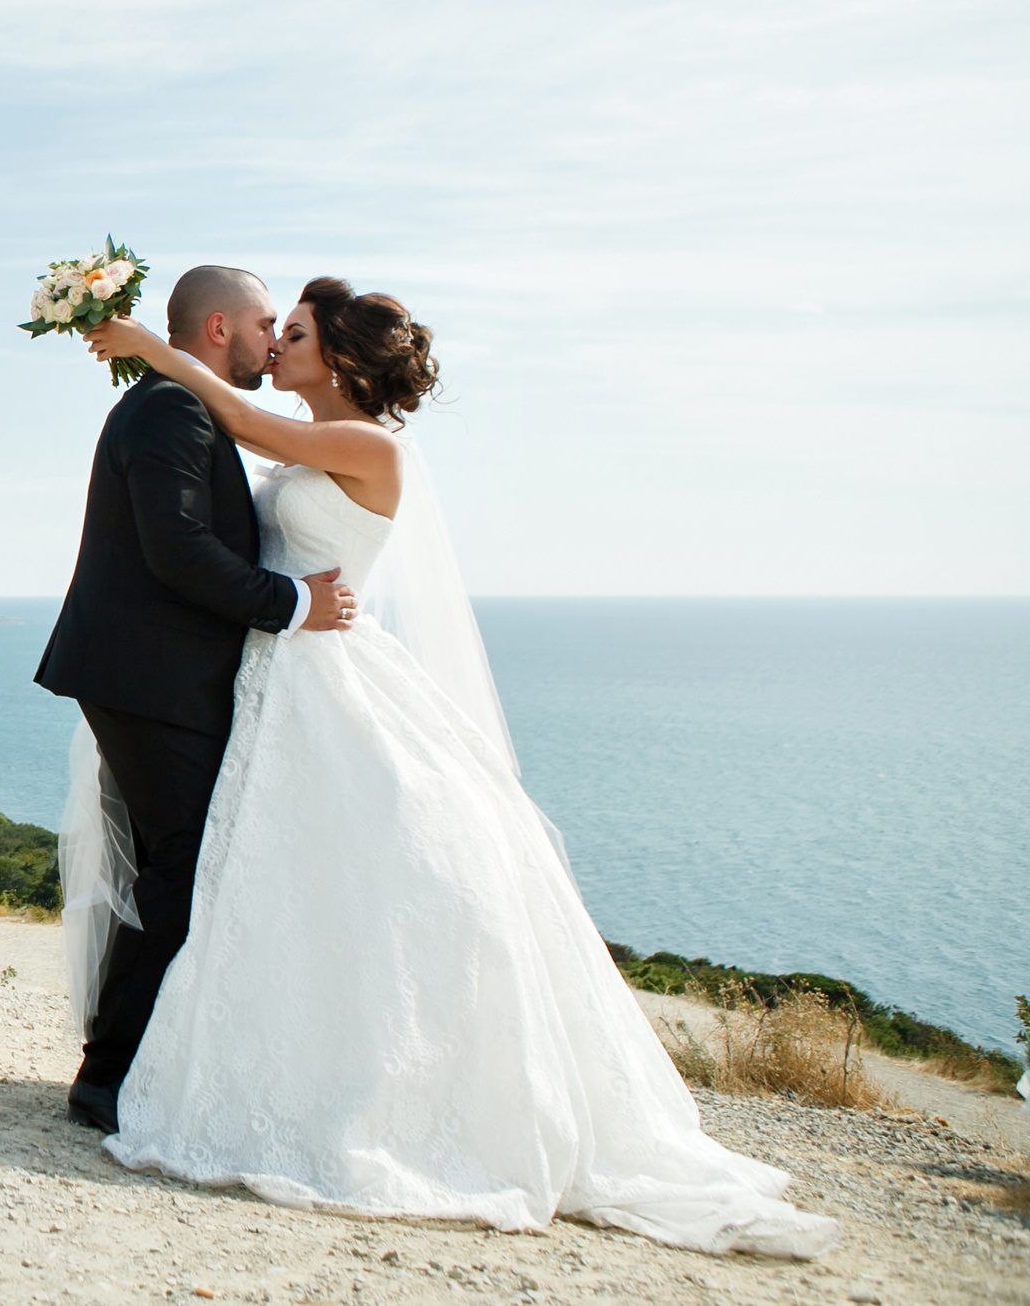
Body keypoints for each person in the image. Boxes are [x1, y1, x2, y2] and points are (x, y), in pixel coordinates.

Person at [63, 279, 838, 1258]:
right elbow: (240, 436)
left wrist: (148, 346)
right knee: (266, 882)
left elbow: (239, 417)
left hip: (320, 672)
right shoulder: (317, 433)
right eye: (276, 326)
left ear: (337, 362)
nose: (281, 340)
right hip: (276, 681)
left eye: (294, 332)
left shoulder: (368, 446)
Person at [32, 264, 358, 1135]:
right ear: (218, 329)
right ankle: (109, 1080)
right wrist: (292, 604)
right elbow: (176, 548)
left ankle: (131, 1061)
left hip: (153, 676)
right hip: (154, 680)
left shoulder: (187, 402)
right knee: (179, 869)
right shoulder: (174, 409)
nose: (271, 341)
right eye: (263, 326)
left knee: (164, 865)